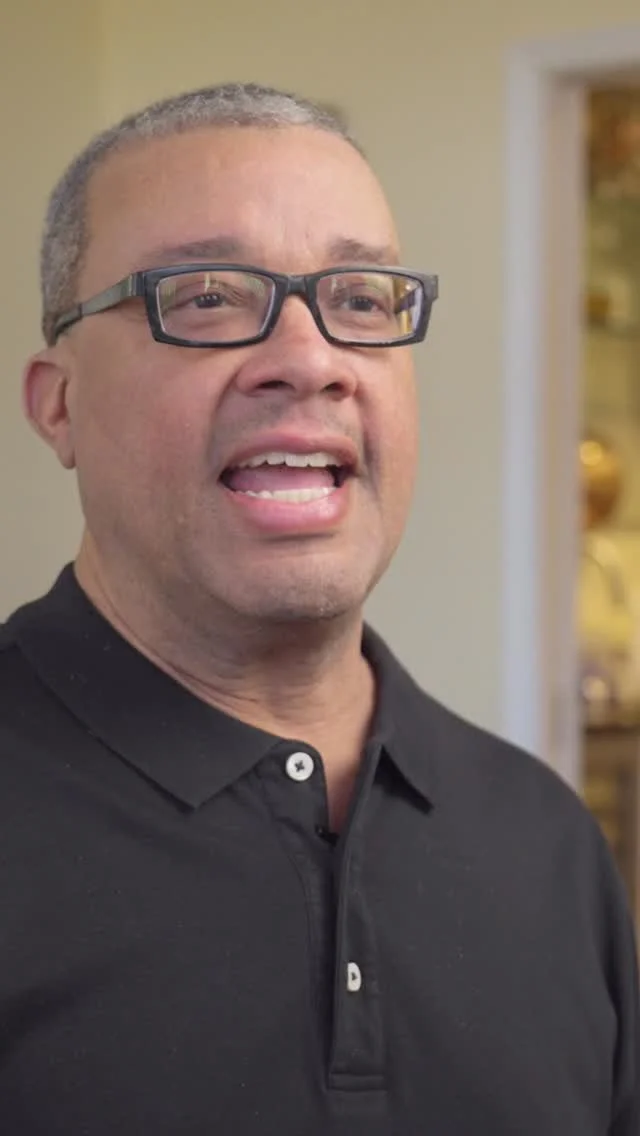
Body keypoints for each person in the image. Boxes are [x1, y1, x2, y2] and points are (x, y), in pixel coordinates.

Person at [0, 81, 637, 1136]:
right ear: (57, 402)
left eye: (362, 300)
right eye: (207, 296)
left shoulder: (546, 843)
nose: (310, 360)